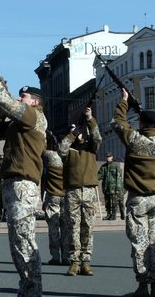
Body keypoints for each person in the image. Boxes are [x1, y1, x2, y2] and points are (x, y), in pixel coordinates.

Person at [0, 61, 47, 297]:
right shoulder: (21, 120)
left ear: (36, 102)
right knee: (17, 241)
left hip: (22, 184)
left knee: (24, 240)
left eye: (24, 96)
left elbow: (7, 103)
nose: (20, 99)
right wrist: (2, 108)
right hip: (13, 183)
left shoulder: (34, 117)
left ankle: (33, 290)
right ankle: (28, 288)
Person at [112, 89, 155, 297]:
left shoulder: (134, 140)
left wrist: (124, 101)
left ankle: (142, 286)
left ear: (141, 124)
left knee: (139, 244)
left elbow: (117, 122)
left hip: (138, 199)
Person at [58, 107, 102, 276]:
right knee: (72, 227)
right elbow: (60, 150)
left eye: (81, 132)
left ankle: (86, 261)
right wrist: (71, 135)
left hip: (89, 190)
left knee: (88, 227)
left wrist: (90, 119)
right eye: (78, 132)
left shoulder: (91, 148)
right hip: (73, 191)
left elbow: (97, 137)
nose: (80, 134)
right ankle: (74, 261)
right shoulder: (70, 150)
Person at [42, 130, 69, 266]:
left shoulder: (50, 155)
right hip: (66, 196)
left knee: (53, 228)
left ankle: (55, 257)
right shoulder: (69, 156)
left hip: (53, 195)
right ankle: (66, 256)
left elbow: (41, 149)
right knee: (66, 228)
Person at [97, 152, 125, 220]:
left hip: (114, 188)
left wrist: (118, 188)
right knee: (107, 202)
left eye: (109, 157)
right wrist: (93, 178)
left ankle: (114, 215)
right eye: (107, 157)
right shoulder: (103, 167)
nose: (108, 158)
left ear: (112, 157)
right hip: (106, 188)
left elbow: (118, 177)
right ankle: (108, 214)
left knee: (114, 202)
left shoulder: (115, 166)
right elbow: (99, 176)